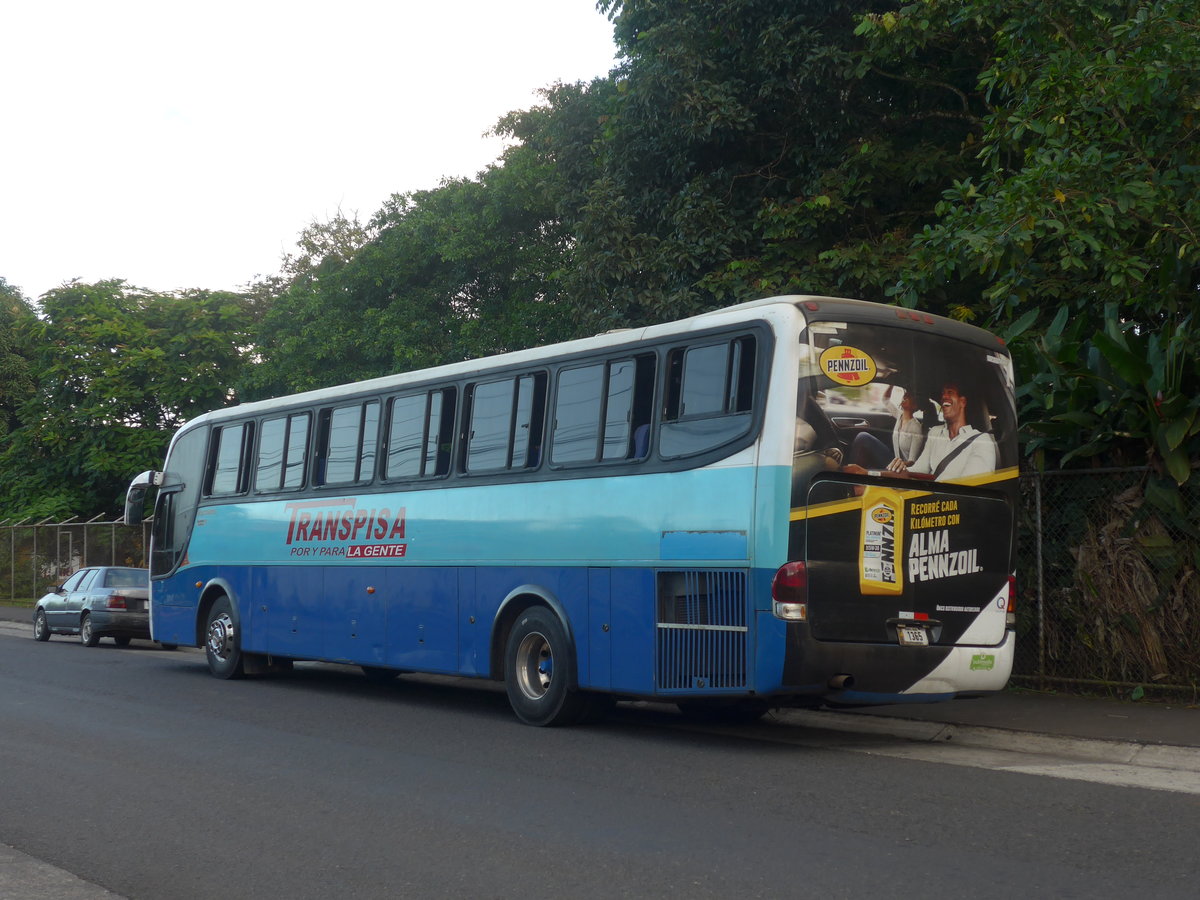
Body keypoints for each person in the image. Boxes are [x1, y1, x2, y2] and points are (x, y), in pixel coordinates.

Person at [891, 382, 996, 479]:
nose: (944, 397)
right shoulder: (935, 432)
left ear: (962, 402)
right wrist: (900, 470)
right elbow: (920, 468)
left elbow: (969, 487)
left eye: (950, 392)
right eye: (943, 393)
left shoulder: (982, 441)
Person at [847, 385, 926, 470]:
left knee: (863, 437)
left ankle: (850, 471)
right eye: (905, 394)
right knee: (862, 437)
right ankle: (851, 468)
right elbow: (885, 399)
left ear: (915, 406)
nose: (905, 396)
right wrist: (892, 384)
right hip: (894, 458)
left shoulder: (916, 428)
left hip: (901, 467)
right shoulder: (899, 415)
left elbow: (912, 462)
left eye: (910, 396)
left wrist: (896, 466)